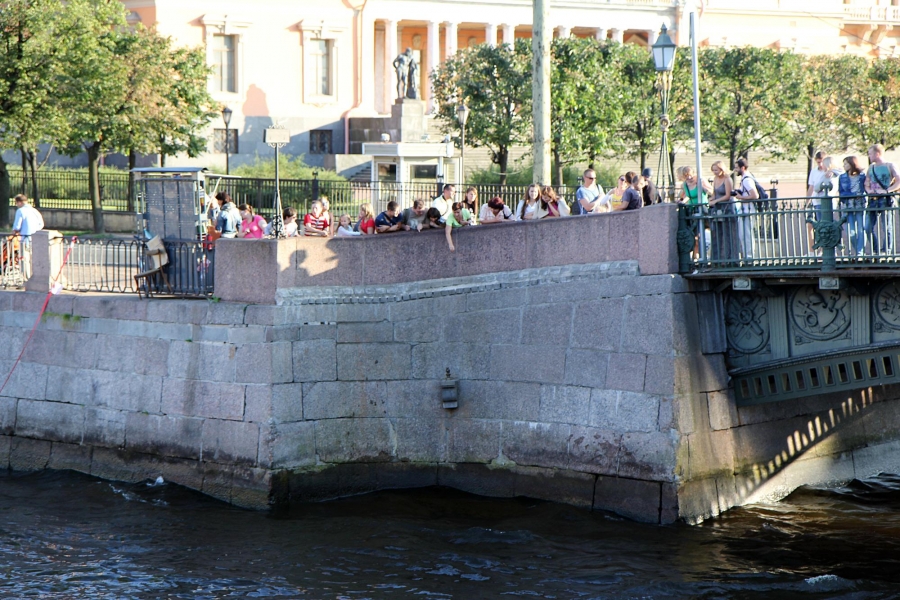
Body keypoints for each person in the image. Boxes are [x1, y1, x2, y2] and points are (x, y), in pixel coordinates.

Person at [864, 143, 900, 255]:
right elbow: (867, 182)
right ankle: (876, 249)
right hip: (873, 199)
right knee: (868, 227)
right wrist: (869, 191)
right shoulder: (871, 167)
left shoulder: (890, 165)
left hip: (886, 199)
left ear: (877, 153)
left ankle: (886, 251)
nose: (869, 156)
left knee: (887, 227)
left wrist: (887, 191)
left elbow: (899, 180)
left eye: (870, 153)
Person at [709, 161, 738, 265]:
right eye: (713, 170)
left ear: (721, 169)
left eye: (716, 170)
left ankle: (729, 258)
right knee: (717, 233)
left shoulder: (727, 179)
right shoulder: (715, 179)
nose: (714, 172)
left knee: (728, 233)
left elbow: (728, 195)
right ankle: (716, 259)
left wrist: (716, 201)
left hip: (727, 208)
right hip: (717, 209)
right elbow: (714, 193)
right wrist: (711, 199)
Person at [838, 156, 866, 257]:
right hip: (848, 205)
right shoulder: (842, 177)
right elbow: (841, 192)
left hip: (860, 205)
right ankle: (858, 250)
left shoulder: (862, 176)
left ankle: (860, 252)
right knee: (851, 232)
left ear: (852, 164)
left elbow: (865, 189)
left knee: (861, 229)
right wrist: (853, 195)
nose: (844, 166)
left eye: (846, 164)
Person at [733, 158, 759, 262]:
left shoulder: (747, 180)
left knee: (746, 234)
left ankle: (749, 257)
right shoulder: (746, 178)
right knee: (744, 234)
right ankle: (747, 256)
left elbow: (755, 195)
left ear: (742, 167)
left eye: (736, 168)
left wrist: (741, 197)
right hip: (745, 210)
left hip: (748, 211)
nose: (735, 170)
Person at [11, 194, 43, 279]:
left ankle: (26, 278)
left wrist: (14, 232)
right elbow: (41, 224)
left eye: (16, 203)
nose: (17, 205)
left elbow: (17, 226)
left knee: (25, 259)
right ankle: (36, 277)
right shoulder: (34, 211)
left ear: (19, 202)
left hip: (24, 238)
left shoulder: (20, 211)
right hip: (35, 238)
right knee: (34, 259)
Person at [806, 152, 829, 255]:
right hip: (815, 201)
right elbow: (811, 187)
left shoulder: (829, 171)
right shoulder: (814, 171)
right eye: (818, 162)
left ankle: (824, 250)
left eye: (822, 162)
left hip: (824, 202)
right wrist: (807, 202)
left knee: (823, 226)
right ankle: (812, 251)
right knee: (810, 225)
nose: (820, 164)